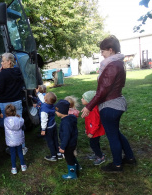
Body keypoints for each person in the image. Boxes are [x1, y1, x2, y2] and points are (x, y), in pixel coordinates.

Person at [81, 35, 136, 172]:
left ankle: (117, 165)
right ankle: (129, 158)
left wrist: (89, 106)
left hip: (110, 105)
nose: (102, 54)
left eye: (103, 51)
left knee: (113, 137)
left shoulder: (112, 65)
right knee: (116, 133)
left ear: (110, 50)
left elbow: (102, 91)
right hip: (115, 102)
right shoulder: (118, 63)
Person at [0, 52, 28, 155]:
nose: (1, 64)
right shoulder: (18, 71)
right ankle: (22, 148)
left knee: (8, 128)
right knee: (19, 126)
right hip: (17, 101)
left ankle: (12, 147)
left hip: (5, 104)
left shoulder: (3, 74)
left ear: (9, 62)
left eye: (3, 61)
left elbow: (1, 90)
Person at [55, 99, 79, 179]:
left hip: (68, 145)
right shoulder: (70, 118)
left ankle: (72, 174)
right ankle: (77, 167)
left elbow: (66, 136)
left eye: (56, 111)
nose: (55, 112)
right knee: (71, 155)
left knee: (69, 158)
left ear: (61, 112)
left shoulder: (66, 123)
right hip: (73, 142)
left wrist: (62, 147)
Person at [81, 91, 106, 165]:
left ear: (89, 101)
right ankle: (97, 154)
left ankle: (101, 157)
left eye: (83, 98)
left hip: (95, 131)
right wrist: (87, 129)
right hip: (92, 130)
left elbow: (95, 124)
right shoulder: (89, 108)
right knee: (95, 143)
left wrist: (91, 133)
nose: (81, 99)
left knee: (93, 144)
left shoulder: (94, 110)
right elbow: (88, 121)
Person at [4, 104, 27, 174]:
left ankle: (14, 168)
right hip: (19, 140)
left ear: (6, 113)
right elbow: (24, 128)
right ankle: (23, 166)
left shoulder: (5, 120)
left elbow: (0, 124)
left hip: (11, 142)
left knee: (13, 154)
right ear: (15, 112)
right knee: (20, 152)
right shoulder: (20, 120)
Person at [40, 92, 63, 161]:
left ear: (45, 100)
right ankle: (59, 154)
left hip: (48, 128)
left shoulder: (44, 109)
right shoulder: (52, 105)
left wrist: (43, 129)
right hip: (53, 125)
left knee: (50, 142)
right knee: (55, 139)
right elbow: (43, 99)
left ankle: (53, 156)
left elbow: (44, 120)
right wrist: (38, 93)